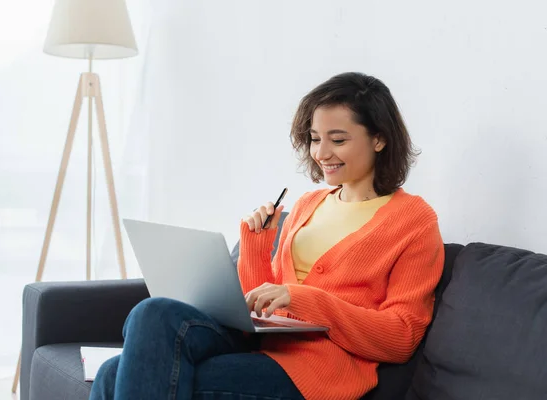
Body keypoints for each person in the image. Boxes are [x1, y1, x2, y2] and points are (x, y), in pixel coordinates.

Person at [89, 72, 445, 400]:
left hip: (317, 371)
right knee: (151, 315)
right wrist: (257, 245)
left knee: (116, 376)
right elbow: (259, 305)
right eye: (315, 139)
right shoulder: (308, 204)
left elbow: (401, 336)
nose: (321, 153)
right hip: (263, 348)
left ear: (379, 139)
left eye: (338, 139)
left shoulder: (413, 220)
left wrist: (302, 298)